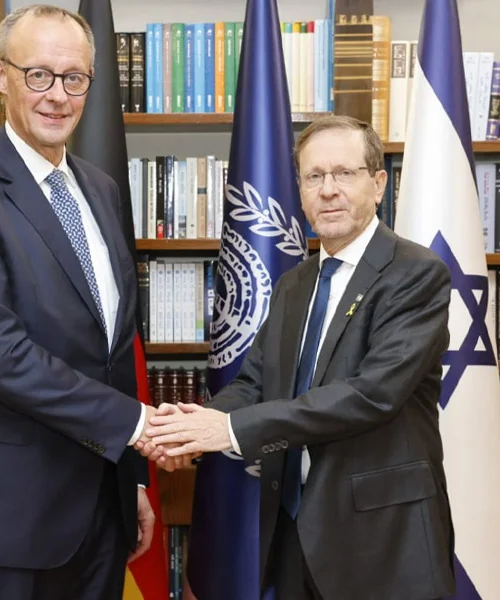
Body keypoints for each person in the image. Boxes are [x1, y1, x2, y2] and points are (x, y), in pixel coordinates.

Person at [141, 115, 456, 600]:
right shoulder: (295, 283)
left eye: (344, 174)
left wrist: (225, 431)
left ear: (378, 184)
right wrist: (190, 427)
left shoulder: (415, 274)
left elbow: (371, 396)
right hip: (293, 533)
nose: (328, 190)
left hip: (383, 543)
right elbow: (255, 383)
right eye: (314, 176)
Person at [0, 5, 159, 599]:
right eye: (38, 75)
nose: (58, 95)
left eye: (73, 77)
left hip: (102, 508)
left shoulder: (99, 190)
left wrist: (131, 480)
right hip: (6, 515)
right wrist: (136, 425)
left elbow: (114, 348)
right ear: (1, 75)